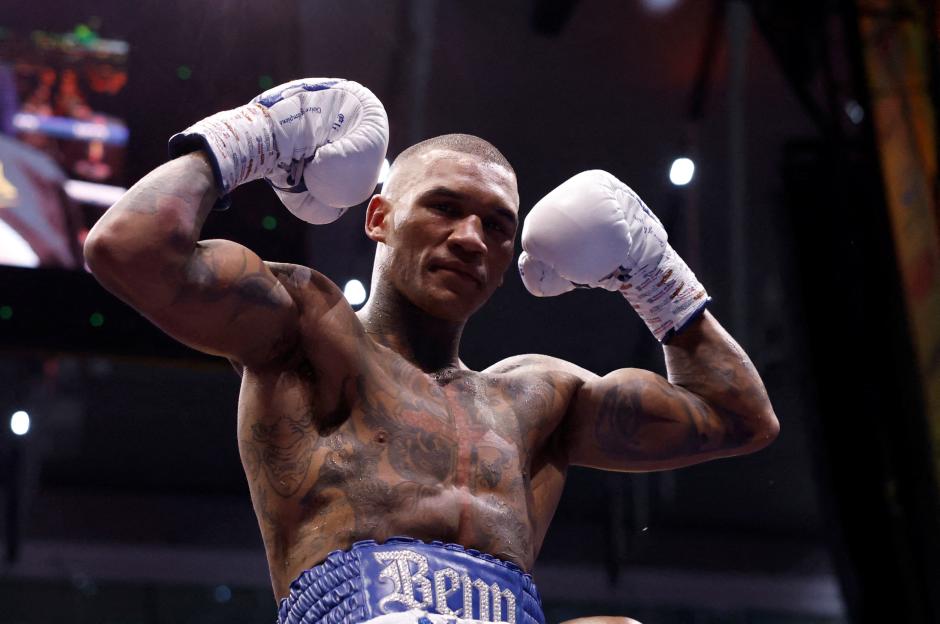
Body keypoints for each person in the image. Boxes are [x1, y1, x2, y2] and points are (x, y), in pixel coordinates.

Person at [83, 78, 778, 624]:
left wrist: (655, 276)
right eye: (445, 207)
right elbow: (128, 249)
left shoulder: (538, 400)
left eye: (497, 227)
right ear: (379, 217)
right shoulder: (308, 330)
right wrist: (249, 136)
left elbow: (740, 418)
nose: (472, 238)